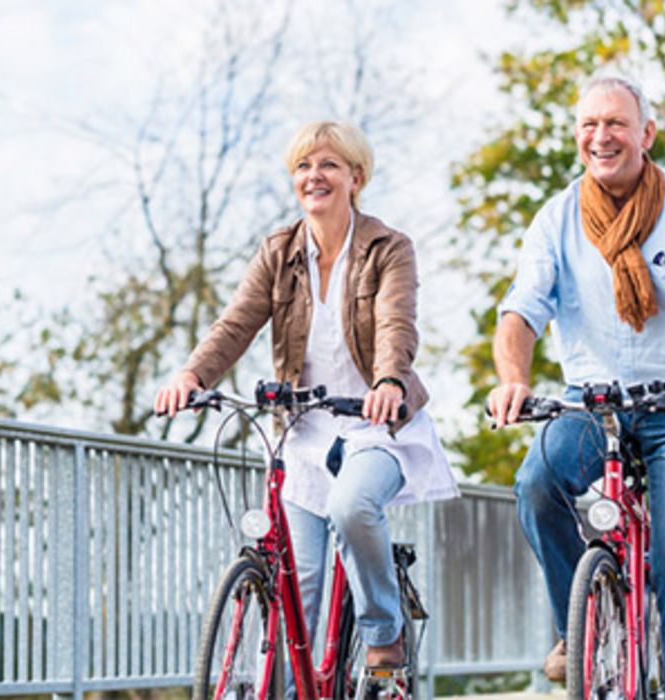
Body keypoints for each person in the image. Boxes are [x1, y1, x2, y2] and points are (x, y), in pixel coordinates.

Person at [155, 120, 458, 667]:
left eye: (328, 165)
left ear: (355, 177)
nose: (313, 176)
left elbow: (396, 323)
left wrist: (389, 381)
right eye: (303, 166)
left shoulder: (388, 248)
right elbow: (236, 324)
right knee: (300, 586)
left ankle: (382, 628)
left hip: (376, 426)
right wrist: (193, 375)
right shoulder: (278, 252)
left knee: (352, 507)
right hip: (302, 433)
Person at [487, 73, 665, 699]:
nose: (602, 137)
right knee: (536, 482)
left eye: (616, 124)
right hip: (591, 404)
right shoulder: (557, 217)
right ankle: (579, 626)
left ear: (646, 134)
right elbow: (522, 308)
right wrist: (512, 380)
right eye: (589, 125)